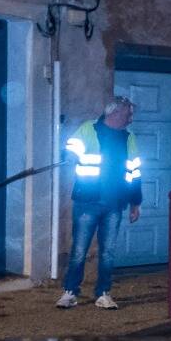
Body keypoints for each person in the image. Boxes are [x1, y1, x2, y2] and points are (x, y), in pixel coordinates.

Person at [57, 97, 142, 309]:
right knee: (79, 250)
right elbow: (70, 149)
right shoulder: (89, 129)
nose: (131, 119)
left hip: (115, 204)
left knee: (108, 252)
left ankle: (103, 293)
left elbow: (134, 172)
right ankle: (70, 292)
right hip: (88, 201)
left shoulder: (129, 138)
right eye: (128, 114)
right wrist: (69, 156)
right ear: (115, 112)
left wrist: (135, 202)